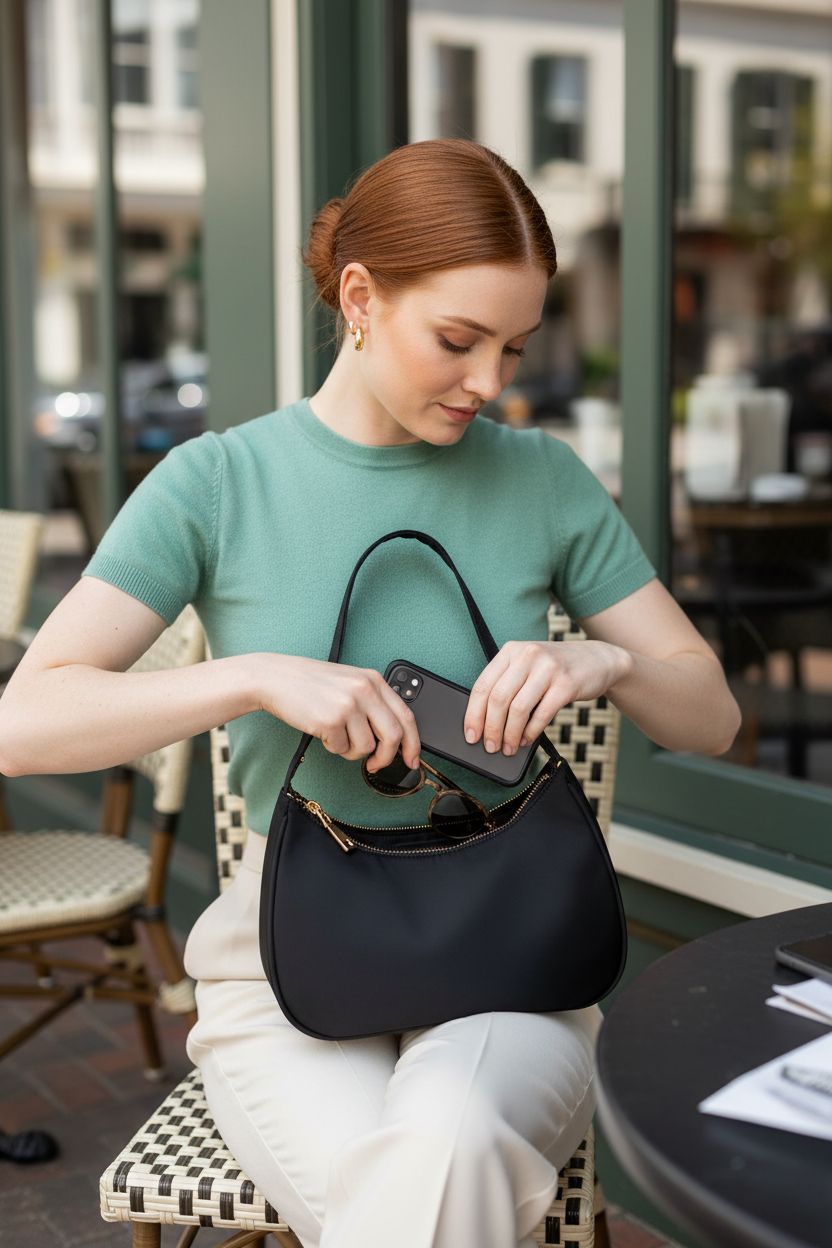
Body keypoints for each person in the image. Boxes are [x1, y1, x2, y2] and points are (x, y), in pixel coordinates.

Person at [0, 138, 740, 1248]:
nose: (491, 381)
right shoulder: (216, 484)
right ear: (359, 296)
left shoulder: (540, 481)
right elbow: (24, 724)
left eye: (514, 347)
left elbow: (714, 718)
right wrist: (253, 674)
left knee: (438, 1156)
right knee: (431, 1197)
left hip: (510, 957)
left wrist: (610, 662)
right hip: (281, 953)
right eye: (458, 339)